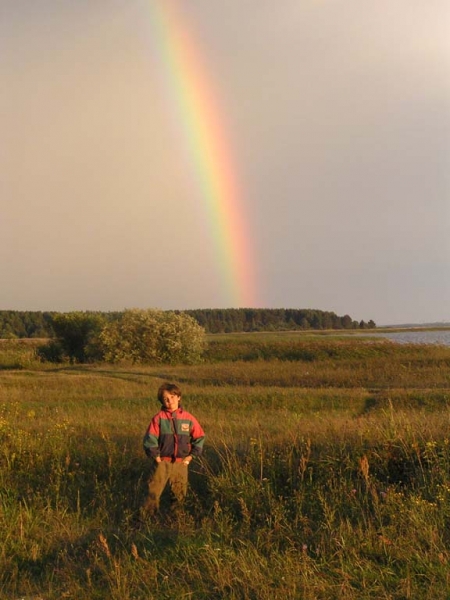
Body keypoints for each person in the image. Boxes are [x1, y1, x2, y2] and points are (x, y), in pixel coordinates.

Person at [142, 382, 205, 515]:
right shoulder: (158, 419)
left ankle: (176, 520)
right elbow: (150, 438)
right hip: (162, 462)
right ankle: (147, 520)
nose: (169, 401)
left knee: (179, 493)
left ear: (178, 397)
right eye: (165, 399)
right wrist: (156, 457)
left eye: (172, 396)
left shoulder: (188, 418)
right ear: (162, 401)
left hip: (181, 462)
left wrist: (190, 457)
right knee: (153, 491)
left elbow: (199, 437)